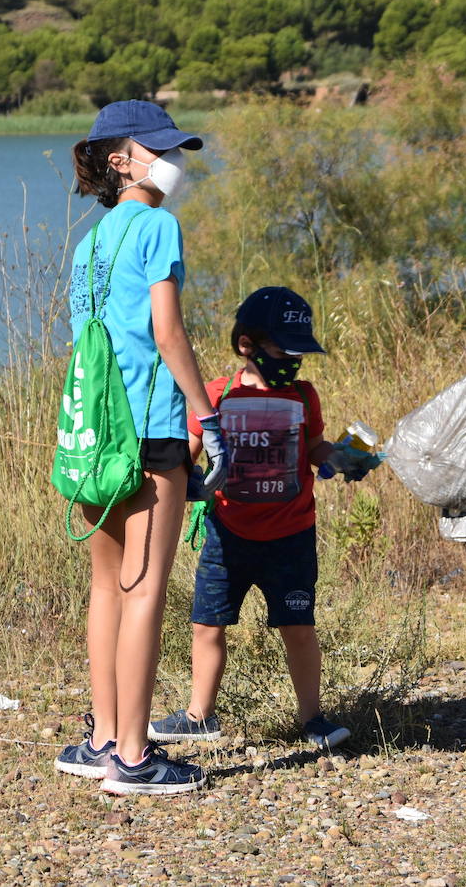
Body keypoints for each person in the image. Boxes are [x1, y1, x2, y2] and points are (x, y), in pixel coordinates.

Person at [52, 100, 228, 796]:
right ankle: (133, 756)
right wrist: (206, 416)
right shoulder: (157, 226)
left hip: (91, 434)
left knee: (105, 587)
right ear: (121, 156)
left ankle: (100, 738)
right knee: (145, 590)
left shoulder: (88, 243)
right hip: (150, 430)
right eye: (161, 148)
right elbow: (168, 333)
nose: (175, 160)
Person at [148, 287, 379, 749]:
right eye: (283, 350)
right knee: (207, 626)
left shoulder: (303, 396)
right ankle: (199, 716)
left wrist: (343, 457)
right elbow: (190, 457)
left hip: (291, 536)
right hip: (226, 536)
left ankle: (313, 719)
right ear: (246, 345)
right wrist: (185, 482)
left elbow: (314, 447)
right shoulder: (215, 395)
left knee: (298, 626)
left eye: (299, 353)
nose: (292, 361)